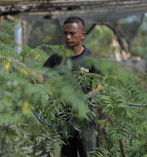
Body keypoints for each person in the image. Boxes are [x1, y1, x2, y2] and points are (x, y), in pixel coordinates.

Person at [43, 16, 101, 157]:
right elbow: (42, 75)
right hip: (63, 119)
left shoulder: (91, 59)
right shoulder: (56, 58)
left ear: (83, 35)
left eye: (72, 33)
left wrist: (87, 97)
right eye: (65, 33)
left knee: (88, 153)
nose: (67, 37)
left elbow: (99, 84)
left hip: (85, 119)